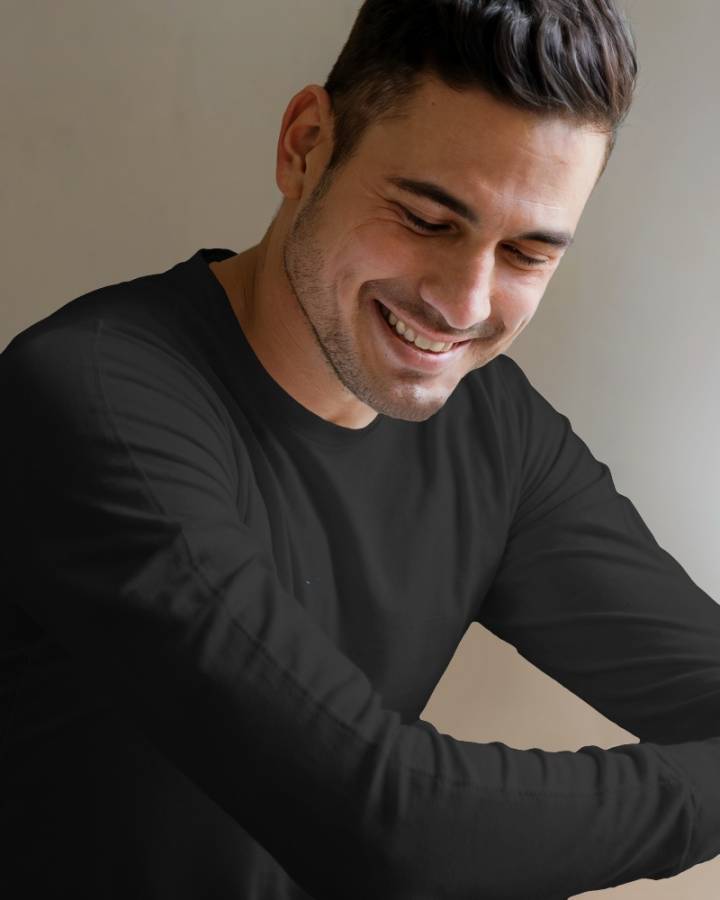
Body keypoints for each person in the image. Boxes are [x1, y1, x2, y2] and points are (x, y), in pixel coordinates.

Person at [2, 1, 719, 897]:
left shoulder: (494, 426)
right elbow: (391, 824)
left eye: (527, 254)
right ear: (305, 145)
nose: (465, 304)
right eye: (427, 219)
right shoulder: (92, 398)